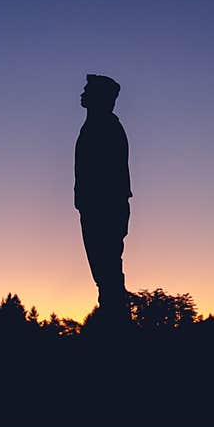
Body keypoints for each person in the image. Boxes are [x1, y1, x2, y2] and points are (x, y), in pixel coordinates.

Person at [75, 74, 132, 327]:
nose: (82, 93)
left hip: (103, 211)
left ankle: (116, 330)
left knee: (108, 276)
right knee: (105, 276)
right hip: (96, 209)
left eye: (88, 90)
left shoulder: (106, 127)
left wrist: (97, 206)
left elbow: (109, 180)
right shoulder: (97, 125)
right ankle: (114, 325)